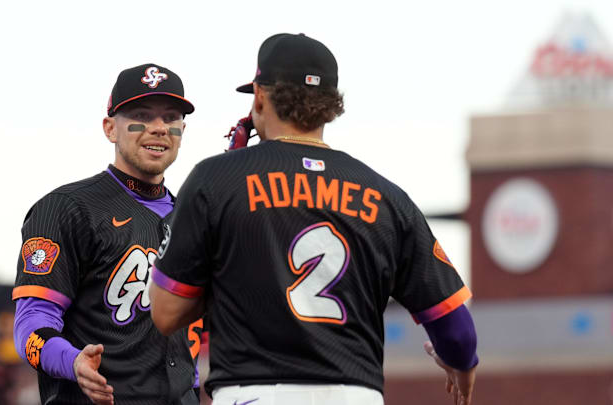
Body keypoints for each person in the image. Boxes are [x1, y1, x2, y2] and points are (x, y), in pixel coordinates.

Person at [149, 33, 479, 405]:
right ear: (330, 104)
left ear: (260, 95)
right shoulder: (387, 196)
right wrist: (462, 364)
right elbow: (457, 330)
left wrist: (224, 261)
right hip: (356, 395)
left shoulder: (218, 179)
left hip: (255, 393)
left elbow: (166, 313)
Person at [12, 63, 200, 405]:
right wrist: (73, 362)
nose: (159, 128)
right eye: (142, 115)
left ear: (182, 130)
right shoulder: (66, 208)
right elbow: (30, 325)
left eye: (171, 118)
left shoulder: (194, 216)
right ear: (110, 128)